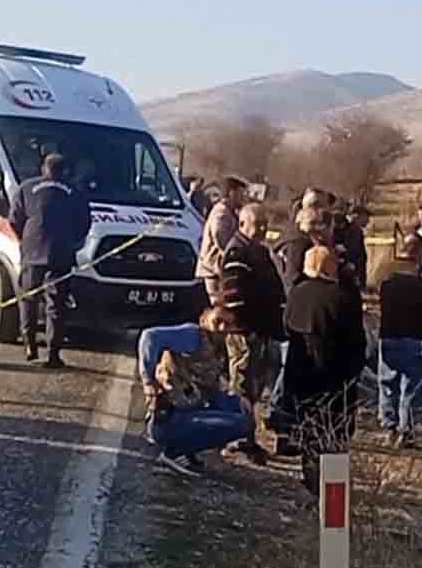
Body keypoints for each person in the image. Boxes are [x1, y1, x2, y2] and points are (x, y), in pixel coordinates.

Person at [279, 246, 366, 486]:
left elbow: (287, 328)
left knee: (309, 430)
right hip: (335, 378)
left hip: (301, 375)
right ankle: (332, 491)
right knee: (335, 436)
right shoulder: (342, 297)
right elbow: (357, 341)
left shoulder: (296, 294)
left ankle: (311, 479)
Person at [139, 308, 254, 477]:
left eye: (228, 324)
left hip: (190, 409)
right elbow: (150, 336)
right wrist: (148, 381)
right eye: (217, 322)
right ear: (204, 321)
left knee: (244, 412)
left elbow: (212, 392)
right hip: (170, 417)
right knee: (240, 423)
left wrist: (240, 401)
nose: (222, 328)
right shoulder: (193, 336)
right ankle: (175, 453)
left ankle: (188, 448)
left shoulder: (217, 348)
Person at [9, 152, 93, 368]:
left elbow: (15, 220)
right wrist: (73, 242)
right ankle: (53, 354)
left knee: (28, 299)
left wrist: (24, 241)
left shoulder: (26, 188)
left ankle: (30, 346)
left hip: (32, 252)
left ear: (43, 169)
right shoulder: (75, 192)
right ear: (64, 171)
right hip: (61, 254)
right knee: (56, 305)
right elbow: (84, 223)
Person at [218, 201, 285, 462]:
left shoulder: (257, 250)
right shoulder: (237, 253)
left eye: (265, 225)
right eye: (257, 225)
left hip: (260, 330)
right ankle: (238, 438)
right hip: (244, 331)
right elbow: (234, 297)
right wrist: (250, 323)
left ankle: (248, 435)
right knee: (242, 385)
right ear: (243, 224)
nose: (262, 230)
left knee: (254, 386)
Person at [377, 238, 422, 446]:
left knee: (387, 384)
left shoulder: (387, 277)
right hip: (417, 337)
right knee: (410, 388)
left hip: (390, 336)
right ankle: (406, 431)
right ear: (419, 253)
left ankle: (389, 427)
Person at [196, 175, 247, 302]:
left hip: (219, 269)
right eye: (241, 194)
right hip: (214, 269)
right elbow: (222, 240)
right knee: (219, 306)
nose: (243, 198)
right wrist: (235, 253)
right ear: (231, 193)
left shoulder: (229, 212)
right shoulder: (221, 213)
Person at [341, 205, 372, 290]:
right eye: (366, 217)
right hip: (353, 271)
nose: (368, 221)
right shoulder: (353, 230)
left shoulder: (355, 229)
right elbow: (354, 251)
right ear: (357, 216)